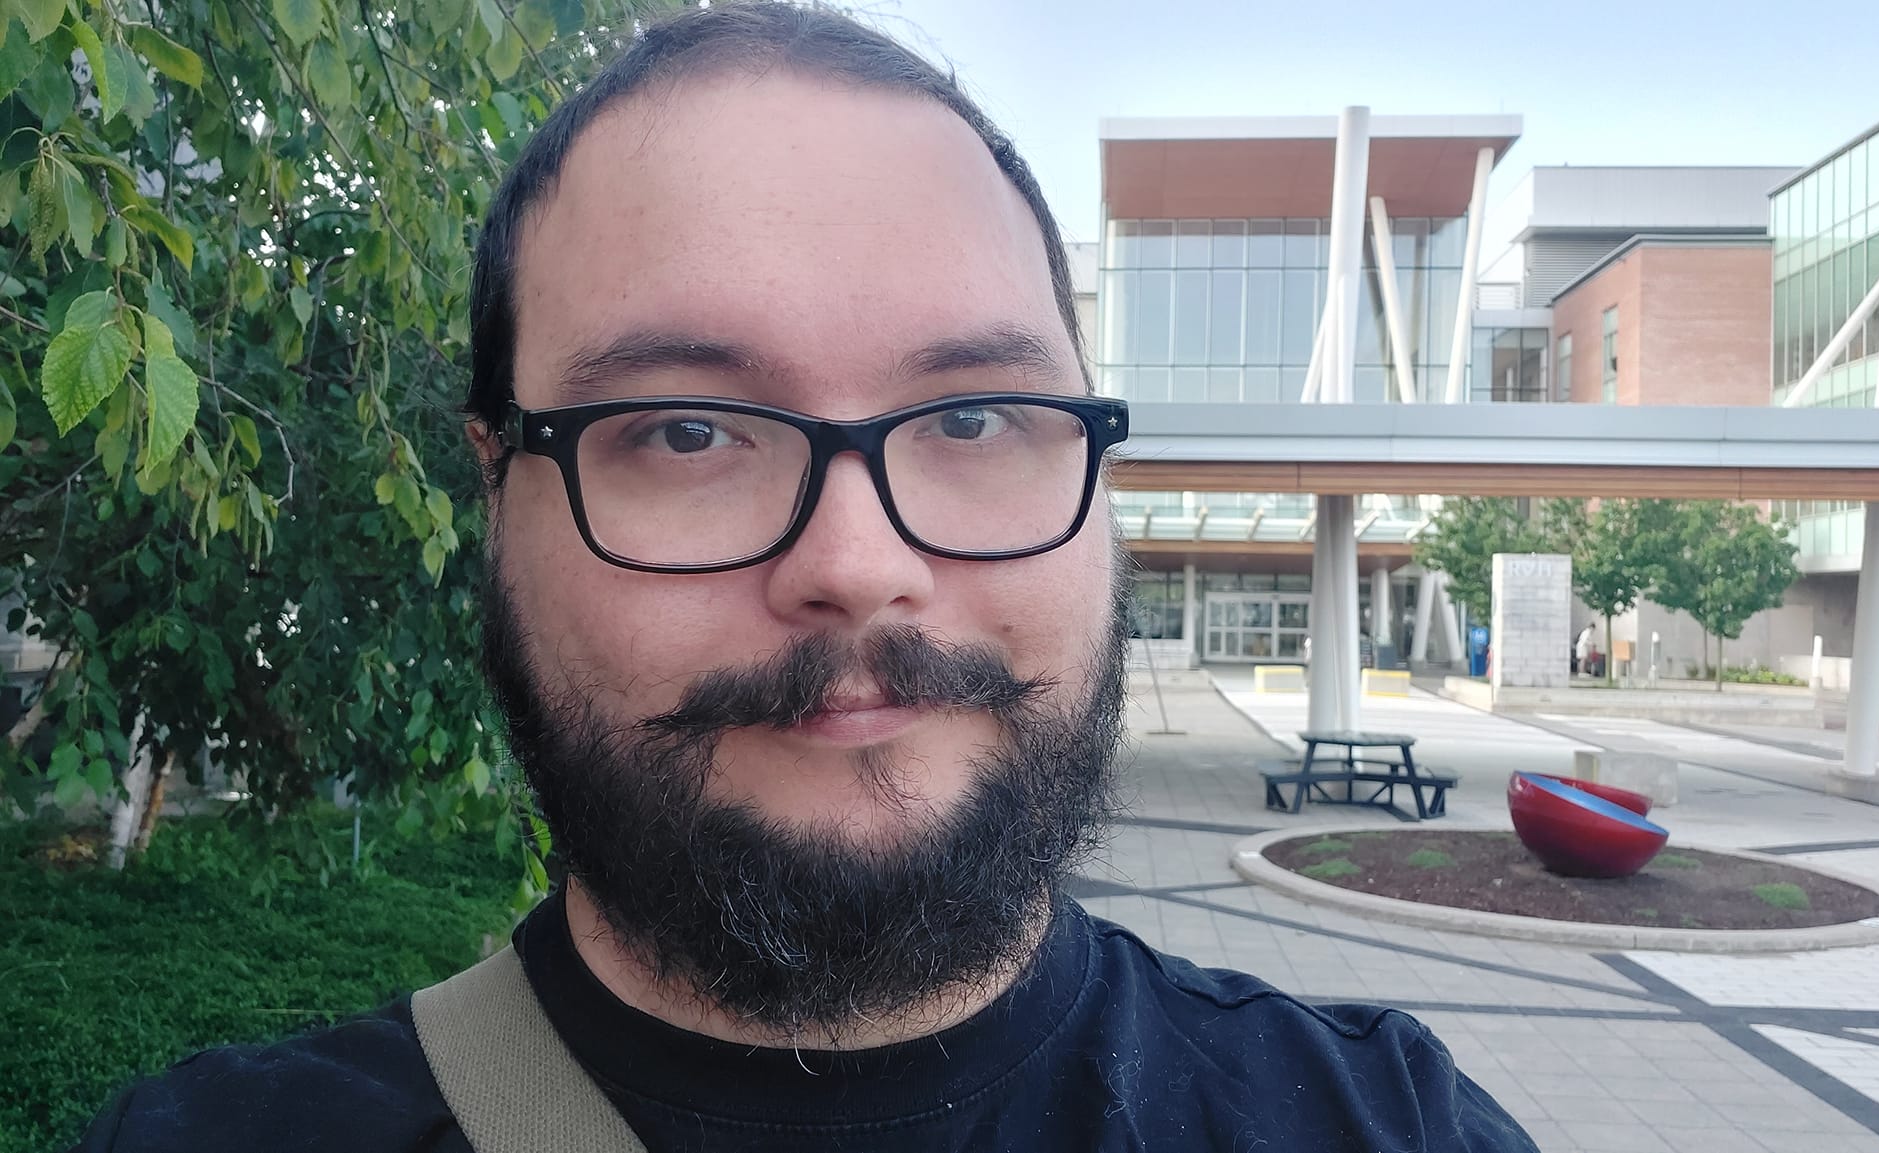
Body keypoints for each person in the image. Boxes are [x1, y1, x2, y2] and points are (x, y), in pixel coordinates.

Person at [73, 5, 1535, 1150]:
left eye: (972, 417)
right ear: (496, 490)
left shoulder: (1390, 1127)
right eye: (688, 429)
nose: (854, 566)